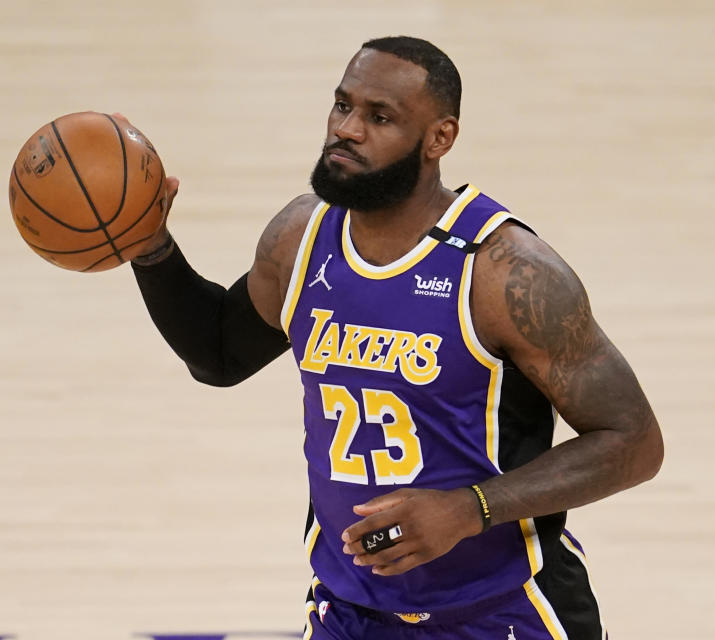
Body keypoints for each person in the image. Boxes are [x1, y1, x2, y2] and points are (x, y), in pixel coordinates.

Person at [129, 36, 663, 640]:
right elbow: (220, 355)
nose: (347, 130)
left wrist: (471, 509)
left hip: (503, 611)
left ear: (439, 138)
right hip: (351, 611)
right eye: (342, 106)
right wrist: (150, 249)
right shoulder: (299, 239)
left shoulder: (504, 271)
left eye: (379, 117)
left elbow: (634, 442)